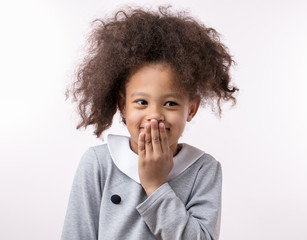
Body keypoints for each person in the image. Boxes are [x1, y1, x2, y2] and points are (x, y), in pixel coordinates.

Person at [61, 5, 238, 240]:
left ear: (192, 109)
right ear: (123, 106)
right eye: (142, 102)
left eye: (171, 103)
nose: (154, 115)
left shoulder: (203, 169)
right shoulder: (99, 164)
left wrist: (156, 186)